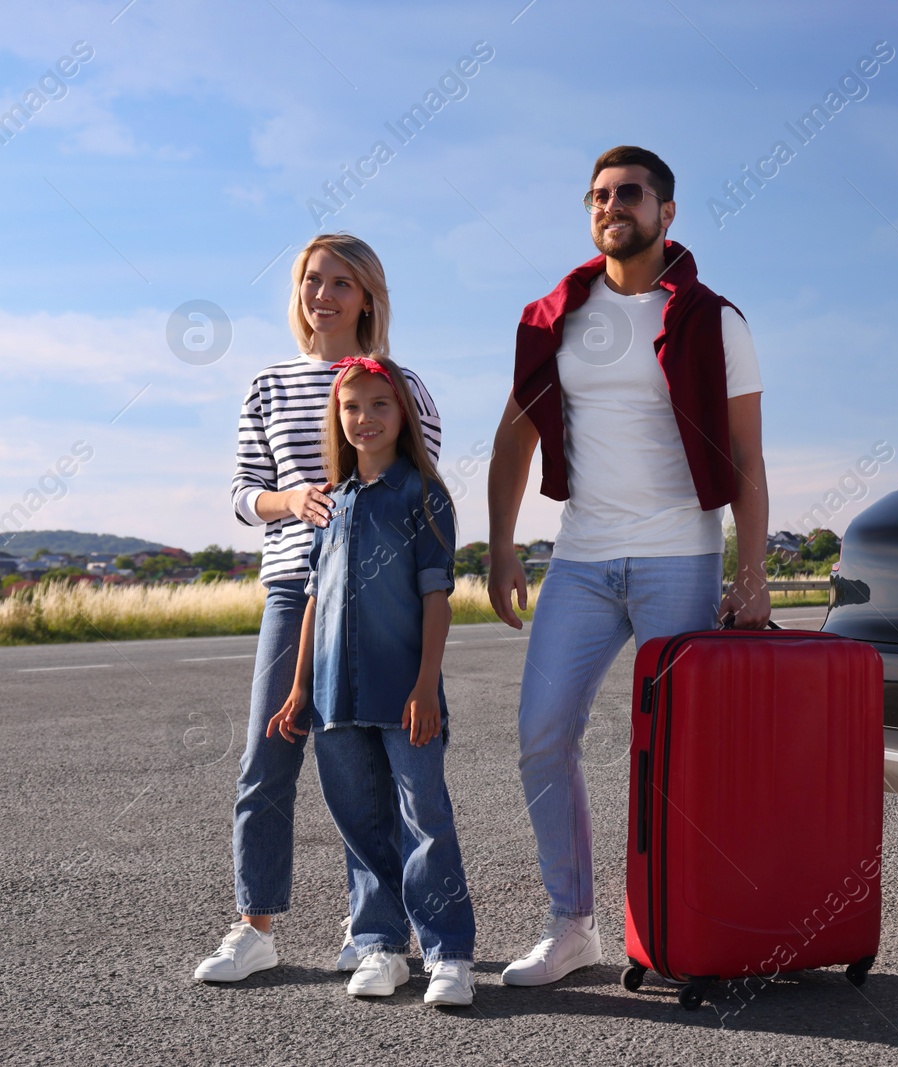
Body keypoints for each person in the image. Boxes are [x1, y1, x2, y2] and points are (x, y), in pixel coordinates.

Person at [486, 145, 771, 988]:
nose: (614, 205)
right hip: (579, 557)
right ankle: (572, 925)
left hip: (679, 554)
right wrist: (503, 544)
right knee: (541, 735)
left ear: (666, 213)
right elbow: (515, 434)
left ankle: (690, 922)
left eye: (631, 194)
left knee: (679, 755)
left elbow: (749, 459)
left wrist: (749, 571)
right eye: (600, 195)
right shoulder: (554, 318)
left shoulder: (714, 319)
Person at [194, 235, 443, 983]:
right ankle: (254, 925)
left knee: (368, 769)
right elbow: (243, 493)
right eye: (311, 280)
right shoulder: (268, 383)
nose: (322, 294)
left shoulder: (398, 381)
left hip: (378, 599)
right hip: (291, 586)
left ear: (367, 295)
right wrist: (289, 499)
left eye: (341, 282)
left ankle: (377, 929)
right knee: (266, 753)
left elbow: (421, 490)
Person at [266, 354, 476, 1006]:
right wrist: (300, 688)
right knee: (360, 825)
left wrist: (424, 685)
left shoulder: (423, 494)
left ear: (402, 414)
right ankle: (381, 945)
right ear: (338, 416)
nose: (365, 418)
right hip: (334, 698)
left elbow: (437, 599)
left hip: (402, 693)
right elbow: (313, 602)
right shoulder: (329, 502)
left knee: (425, 819)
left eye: (379, 405)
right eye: (352, 407)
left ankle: (449, 954)